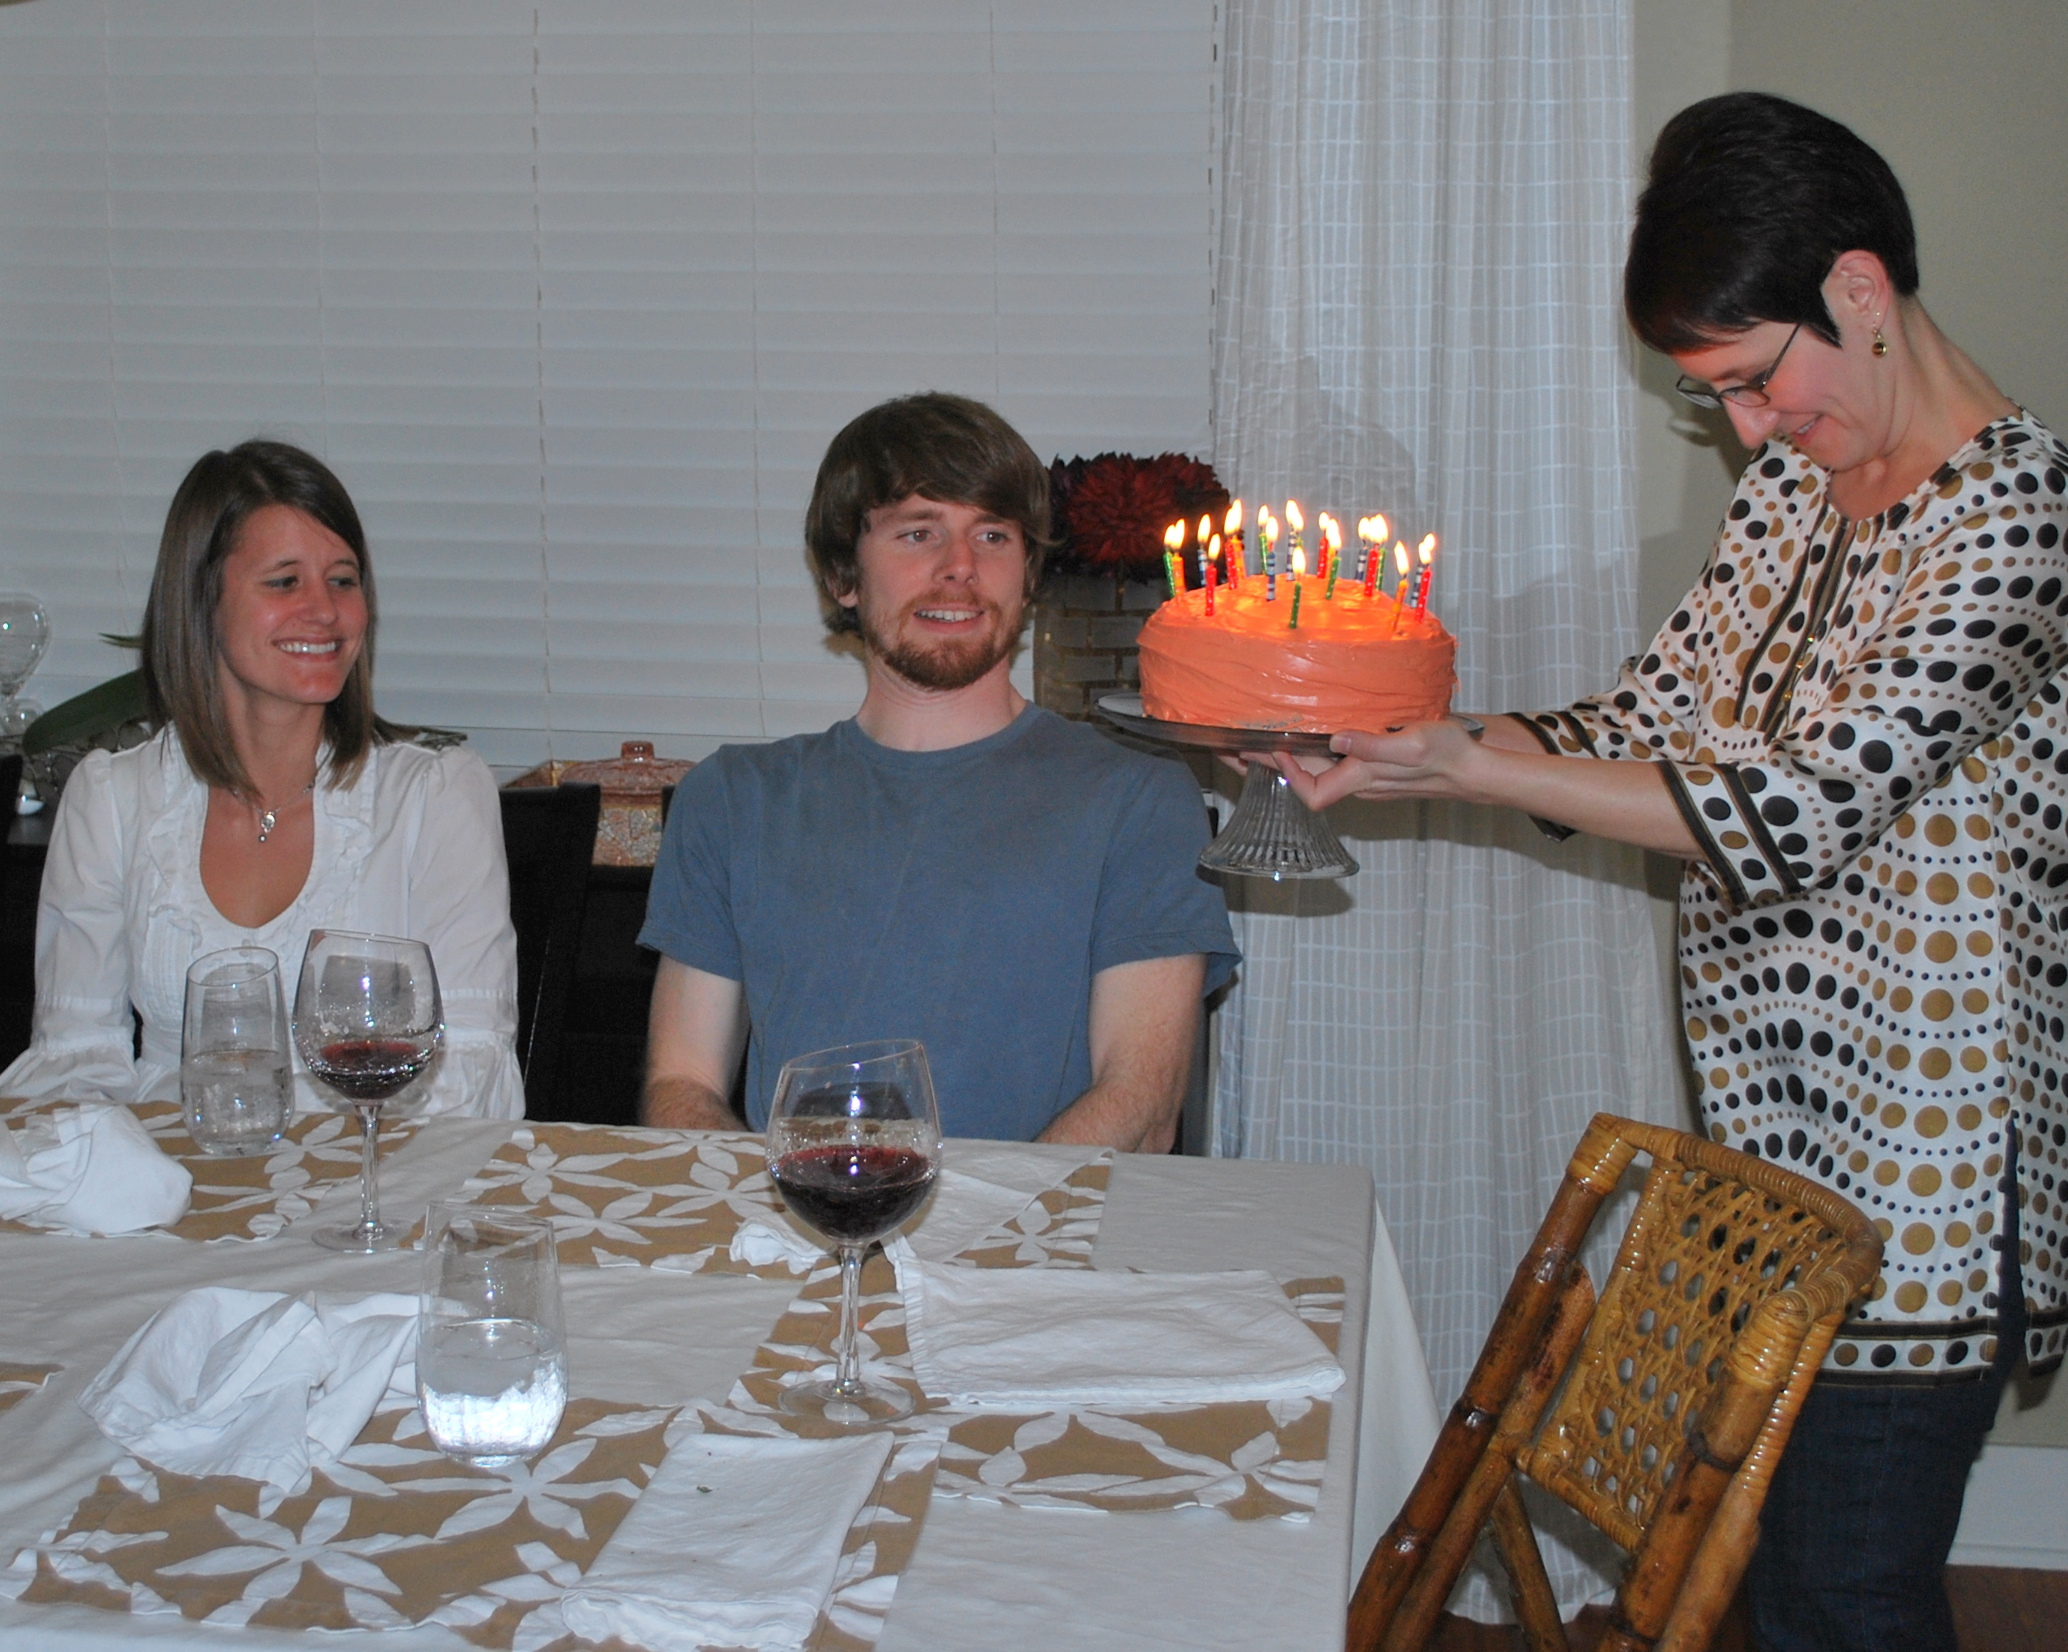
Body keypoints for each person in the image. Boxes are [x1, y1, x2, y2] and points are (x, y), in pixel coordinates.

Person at [1275, 94, 2064, 1652]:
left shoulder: (2021, 522)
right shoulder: (1791, 491)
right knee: (1772, 1581)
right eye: (1722, 399)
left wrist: (1474, 770)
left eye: (1754, 381)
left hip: (1926, 1175)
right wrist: (1417, 738)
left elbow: (1793, 812)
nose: (1749, 430)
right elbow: (1645, 724)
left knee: (1847, 1591)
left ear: (1858, 290)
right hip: (1769, 1150)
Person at [640, 392, 1238, 1146]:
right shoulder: (732, 798)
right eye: (918, 533)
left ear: (1028, 576)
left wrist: (975, 1221)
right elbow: (681, 1084)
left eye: (993, 535)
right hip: (804, 1212)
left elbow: (1142, 1107)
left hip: (1043, 1219)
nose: (960, 567)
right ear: (844, 576)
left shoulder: (1140, 800)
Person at [1, 440, 523, 1119]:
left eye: (343, 580)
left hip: (373, 1173)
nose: (325, 610)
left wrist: (309, 1171)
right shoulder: (111, 801)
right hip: (169, 1174)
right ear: (202, 601)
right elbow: (74, 1062)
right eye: (284, 582)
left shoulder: (434, 799)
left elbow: (471, 1072)